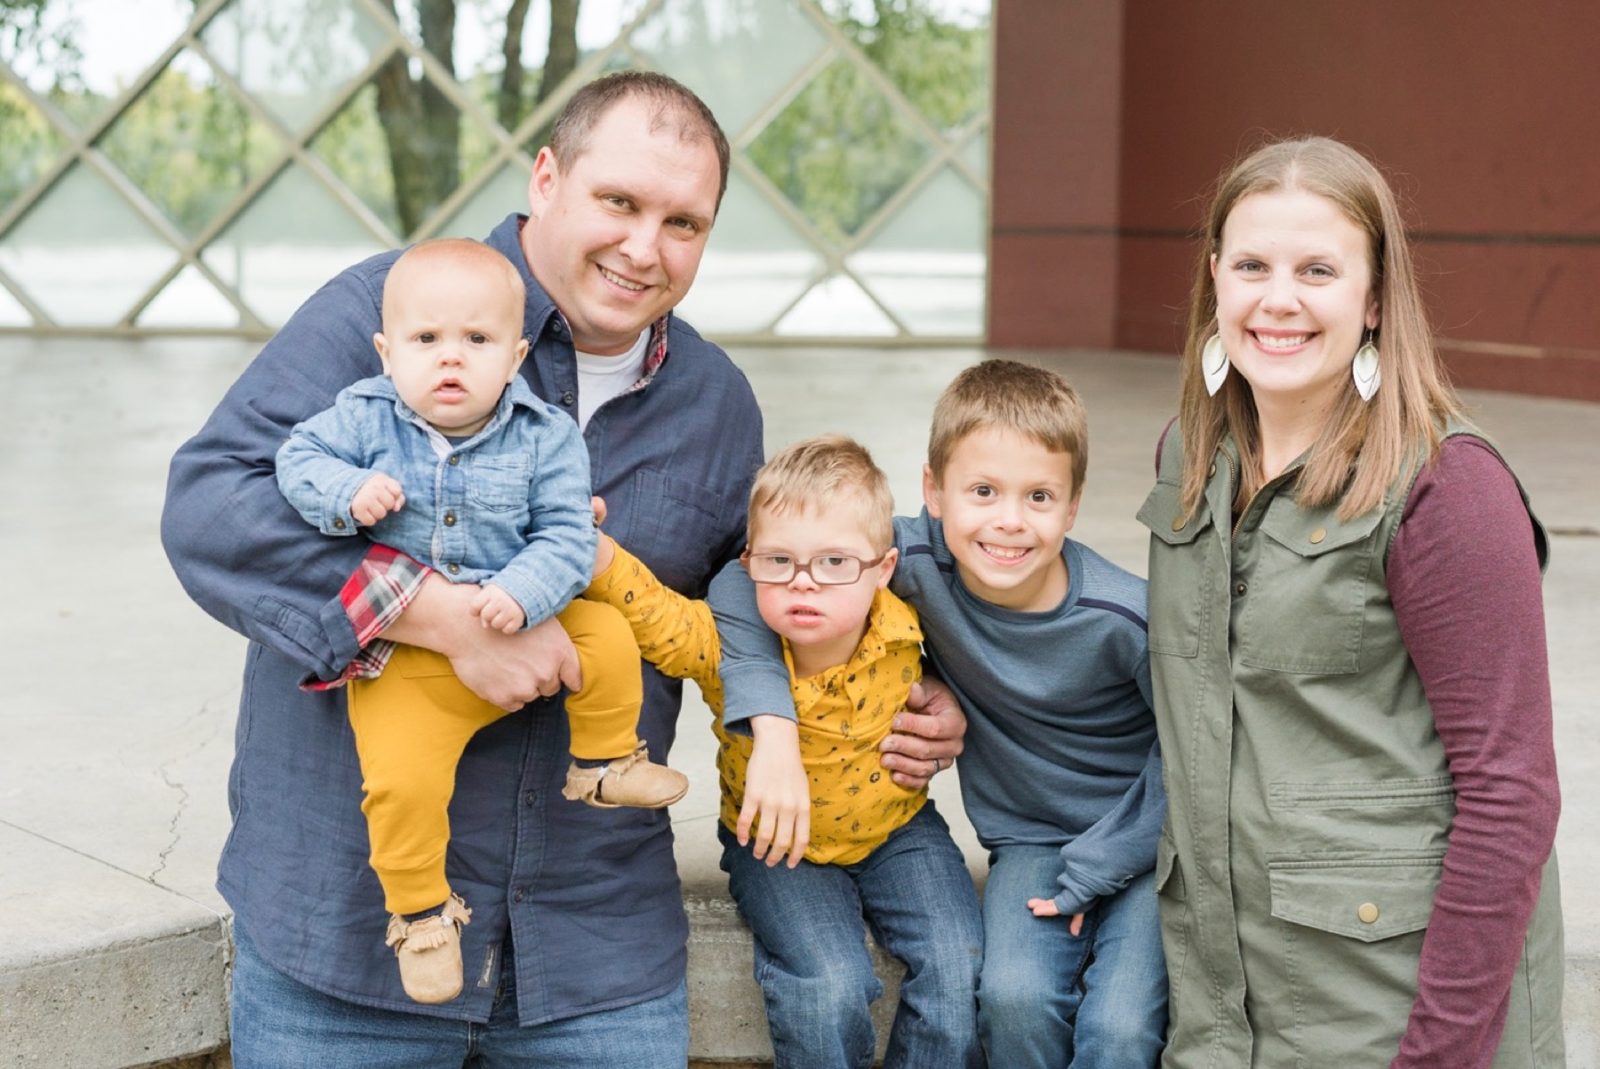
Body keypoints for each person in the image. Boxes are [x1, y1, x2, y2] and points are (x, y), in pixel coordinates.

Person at [161, 71, 964, 1066]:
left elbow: (749, 607)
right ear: (547, 177)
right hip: (349, 939)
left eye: (683, 223)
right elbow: (211, 504)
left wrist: (920, 681)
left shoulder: (714, 403)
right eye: (618, 202)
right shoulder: (391, 307)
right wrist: (436, 613)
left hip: (594, 956)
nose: (644, 248)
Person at [1138, 135, 1564, 1067]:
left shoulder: (1448, 488)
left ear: (1375, 299)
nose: (1277, 299)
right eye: (1251, 265)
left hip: (1391, 1024)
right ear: (1215, 282)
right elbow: (1187, 689)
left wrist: (1438, 1055)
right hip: (1224, 1019)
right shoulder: (1189, 459)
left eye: (1317, 269)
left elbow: (1511, 795)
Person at [711, 360, 1169, 1068]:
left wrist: (1105, 862)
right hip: (1031, 838)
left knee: (1119, 1027)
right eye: (982, 490)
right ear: (934, 492)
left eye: (1039, 496)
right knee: (1011, 997)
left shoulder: (1127, 619)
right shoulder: (912, 557)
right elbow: (745, 577)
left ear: (1074, 505)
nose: (1008, 521)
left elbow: (1195, 750)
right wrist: (772, 726)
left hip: (1146, 842)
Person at [275, 237, 689, 1005]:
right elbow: (295, 461)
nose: (451, 359)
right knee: (398, 784)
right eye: (426, 340)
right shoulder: (364, 418)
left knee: (609, 636)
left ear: (516, 353)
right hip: (407, 663)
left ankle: (604, 763)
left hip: (527, 622)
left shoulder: (545, 436)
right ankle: (423, 915)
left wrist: (526, 593)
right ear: (386, 350)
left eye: (477, 340)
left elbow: (568, 535)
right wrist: (347, 491)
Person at [588, 435, 984, 1069]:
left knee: (960, 963)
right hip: (775, 849)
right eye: (779, 562)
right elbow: (660, 619)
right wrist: (598, 555)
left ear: (883, 570)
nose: (804, 582)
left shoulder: (908, 625)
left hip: (900, 832)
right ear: (748, 564)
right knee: (829, 985)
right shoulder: (731, 647)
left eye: (834, 563)